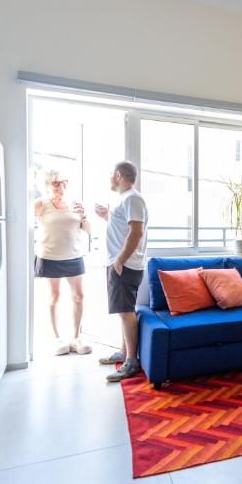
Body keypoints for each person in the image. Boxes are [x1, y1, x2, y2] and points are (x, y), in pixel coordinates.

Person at [94, 161, 148, 382]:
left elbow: (136, 232)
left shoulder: (133, 198)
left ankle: (131, 361)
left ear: (118, 175)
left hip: (125, 265)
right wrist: (107, 216)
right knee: (122, 310)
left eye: (110, 174)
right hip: (120, 264)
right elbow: (124, 228)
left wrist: (120, 260)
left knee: (126, 312)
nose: (109, 178)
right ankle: (124, 352)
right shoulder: (125, 199)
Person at [34, 169, 92, 355]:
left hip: (74, 255)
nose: (61, 186)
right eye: (56, 183)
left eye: (63, 181)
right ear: (47, 185)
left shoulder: (75, 203)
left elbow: (88, 229)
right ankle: (56, 338)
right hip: (50, 256)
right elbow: (25, 228)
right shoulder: (40, 204)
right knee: (54, 296)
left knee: (79, 296)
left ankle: (76, 338)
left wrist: (84, 216)